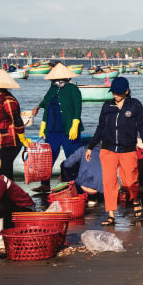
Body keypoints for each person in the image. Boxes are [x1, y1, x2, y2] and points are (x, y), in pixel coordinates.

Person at [84, 77, 143, 225]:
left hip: (127, 149)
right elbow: (100, 128)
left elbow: (142, 125)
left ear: (126, 91)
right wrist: (90, 146)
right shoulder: (107, 105)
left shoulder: (135, 105)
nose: (115, 94)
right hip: (108, 149)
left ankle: (135, 200)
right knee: (109, 182)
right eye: (113, 92)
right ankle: (111, 215)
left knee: (130, 182)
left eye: (118, 92)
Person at [31, 63, 83, 191]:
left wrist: (75, 124)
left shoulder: (73, 89)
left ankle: (75, 184)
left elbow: (78, 107)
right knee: (48, 157)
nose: (57, 82)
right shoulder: (52, 89)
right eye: (54, 80)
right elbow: (46, 102)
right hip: (52, 129)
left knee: (72, 157)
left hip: (68, 129)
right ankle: (45, 184)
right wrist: (38, 108)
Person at [0, 70, 30, 181]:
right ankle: (7, 194)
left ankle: (9, 194)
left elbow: (17, 120)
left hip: (11, 141)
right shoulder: (0, 100)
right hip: (2, 140)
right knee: (3, 170)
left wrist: (22, 138)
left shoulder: (8, 101)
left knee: (5, 171)